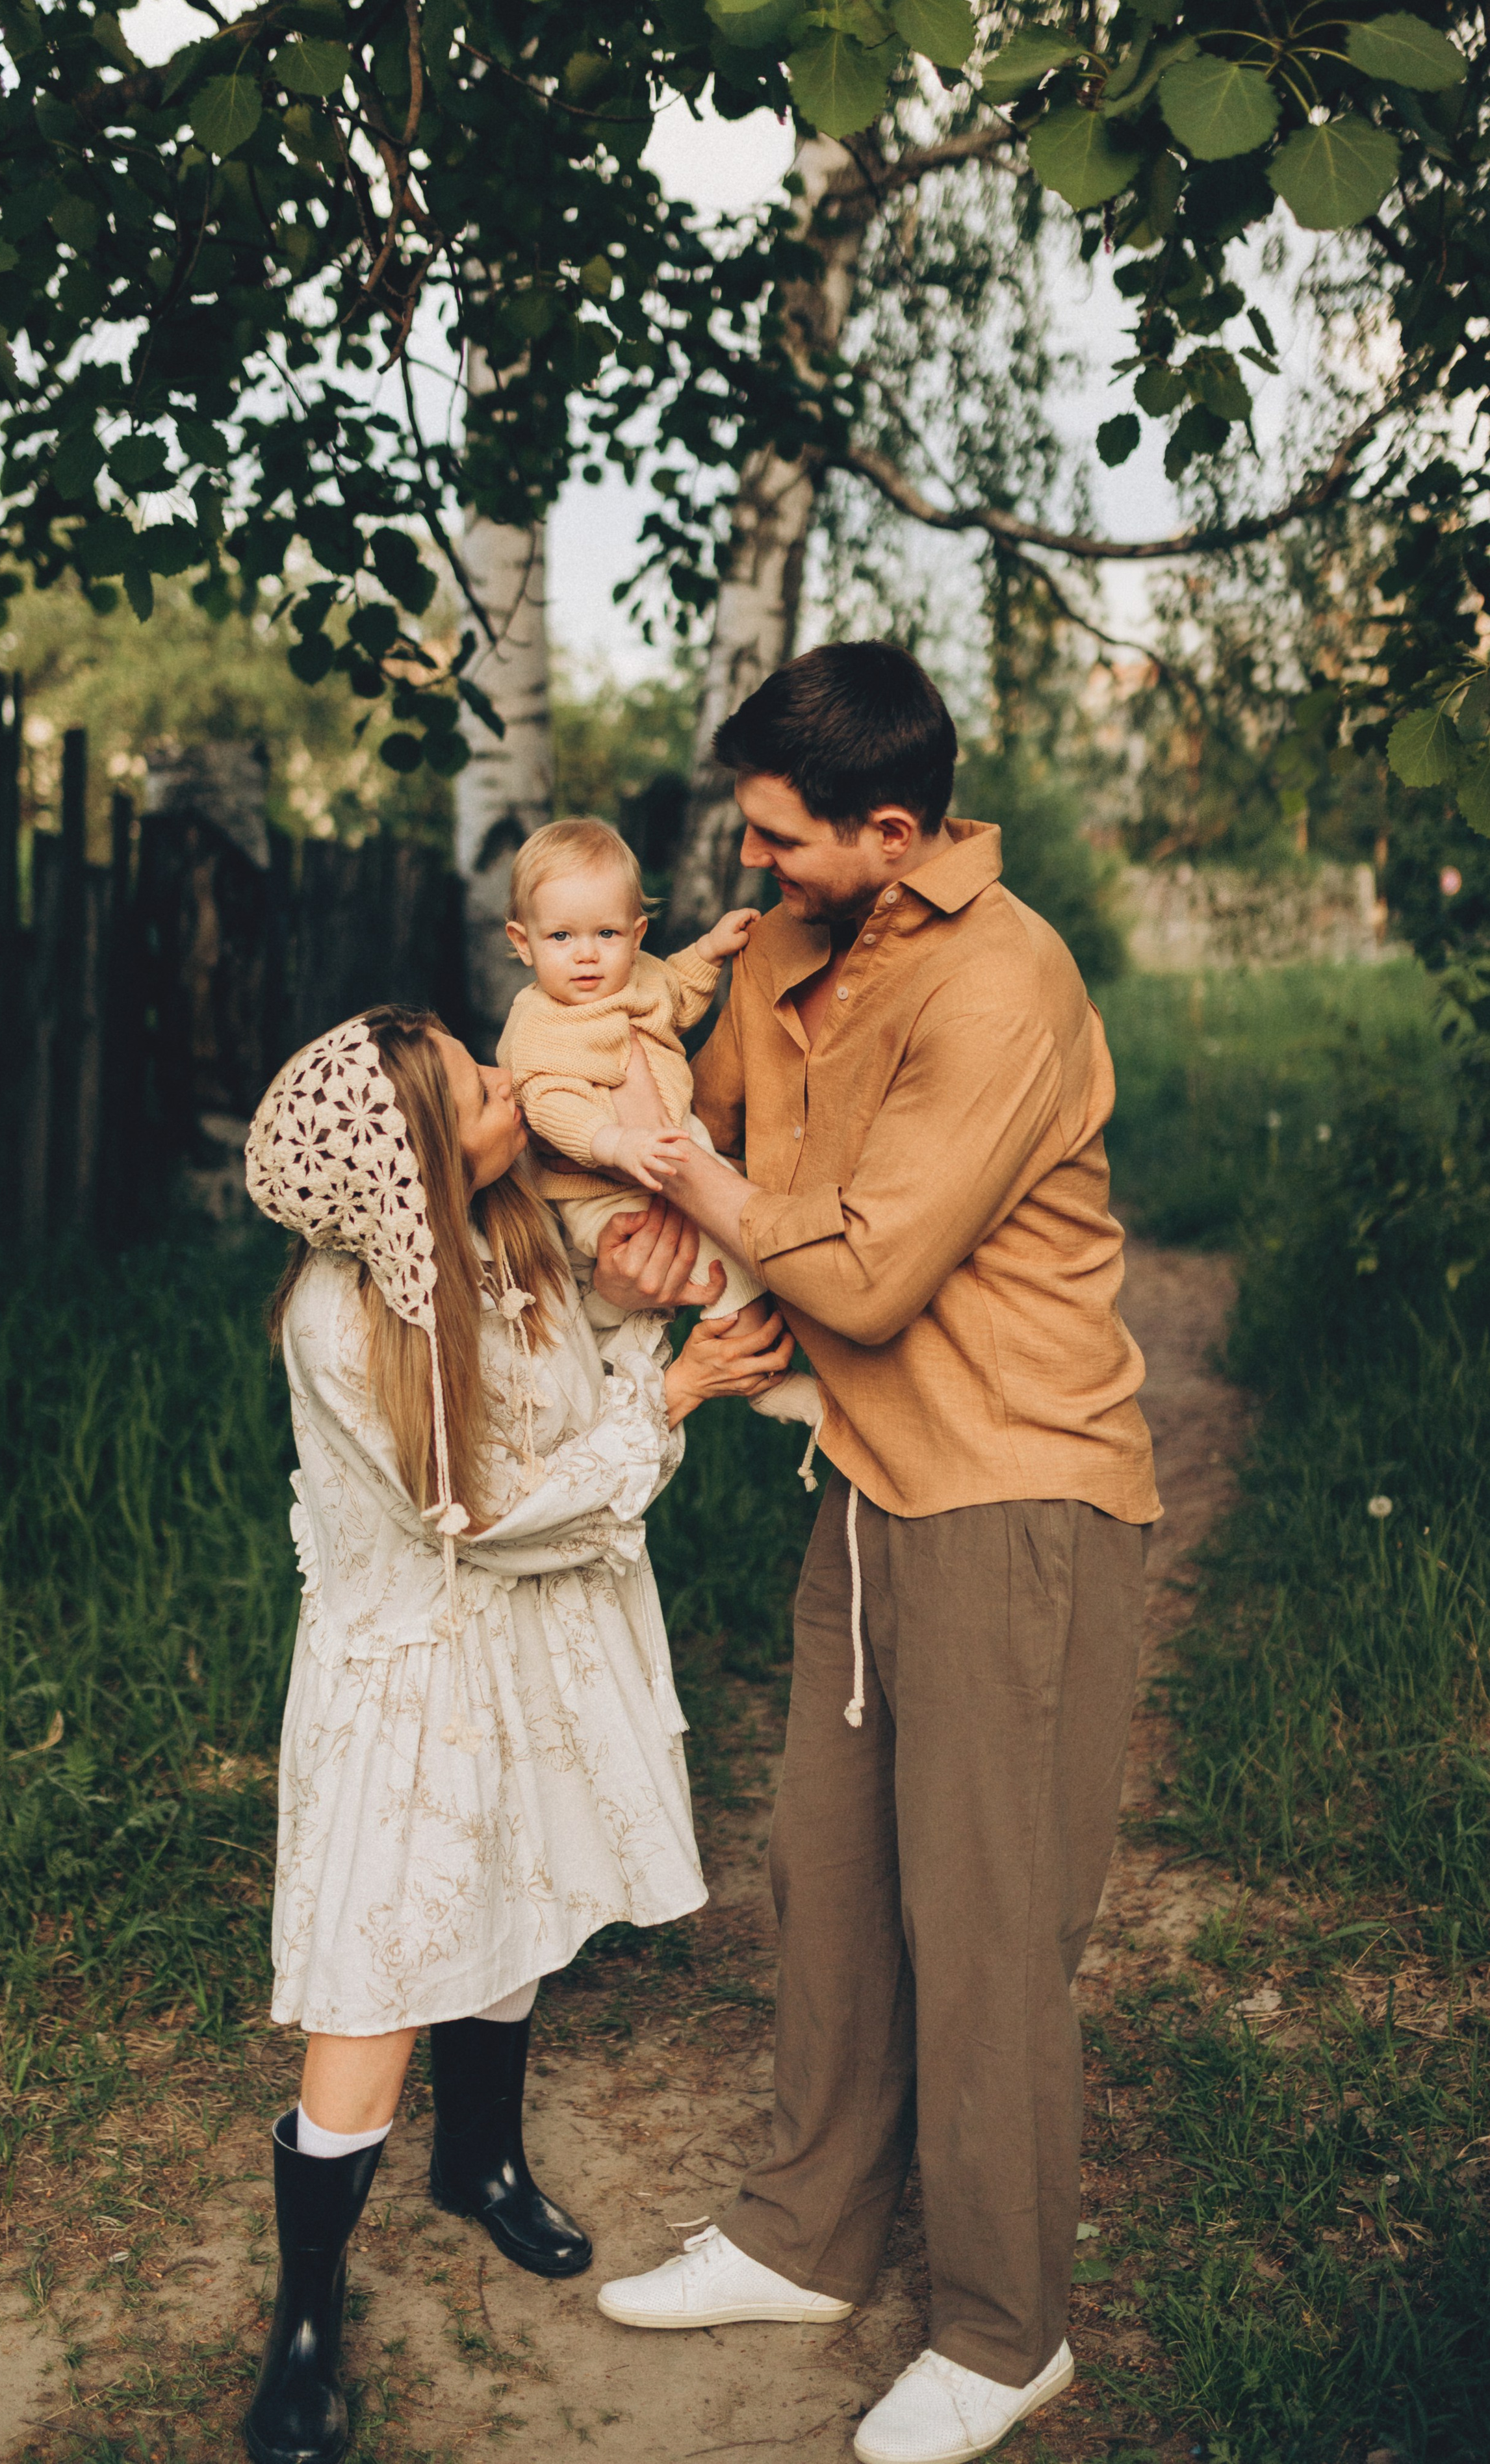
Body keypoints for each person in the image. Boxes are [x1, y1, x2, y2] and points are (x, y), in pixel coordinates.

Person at [595, 643, 1161, 2464]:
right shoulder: (787, 945)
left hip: (1015, 1481)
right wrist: (661, 1221)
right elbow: (712, 1134)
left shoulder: (1006, 984)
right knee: (829, 1881)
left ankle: (1009, 2336)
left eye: (779, 841)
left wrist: (702, 1189)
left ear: (893, 830)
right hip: (868, 1471)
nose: (752, 870)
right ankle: (804, 2236)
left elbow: (860, 1270)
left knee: (987, 1926)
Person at [239, 1003, 793, 2464]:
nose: (513, 1089)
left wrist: (613, 1309)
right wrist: (666, 1396)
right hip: (410, 1678)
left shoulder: (503, 1234)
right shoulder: (340, 1322)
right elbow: (492, 1515)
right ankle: (305, 2315)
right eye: (484, 1091)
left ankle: (478, 2159)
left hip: (517, 1663)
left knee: (517, 1898)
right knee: (374, 1973)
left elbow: (546, 1406)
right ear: (414, 1161)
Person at [498, 815, 824, 1451]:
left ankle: (787, 1329)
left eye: (607, 933)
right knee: (718, 1262)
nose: (587, 953)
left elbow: (673, 992)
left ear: (636, 933)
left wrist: (709, 952)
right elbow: (549, 1103)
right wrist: (614, 1143)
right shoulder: (540, 1025)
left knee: (753, 1234)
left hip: (678, 1150)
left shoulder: (637, 974)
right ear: (523, 941)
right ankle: (759, 1380)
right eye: (561, 936)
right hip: (604, 1191)